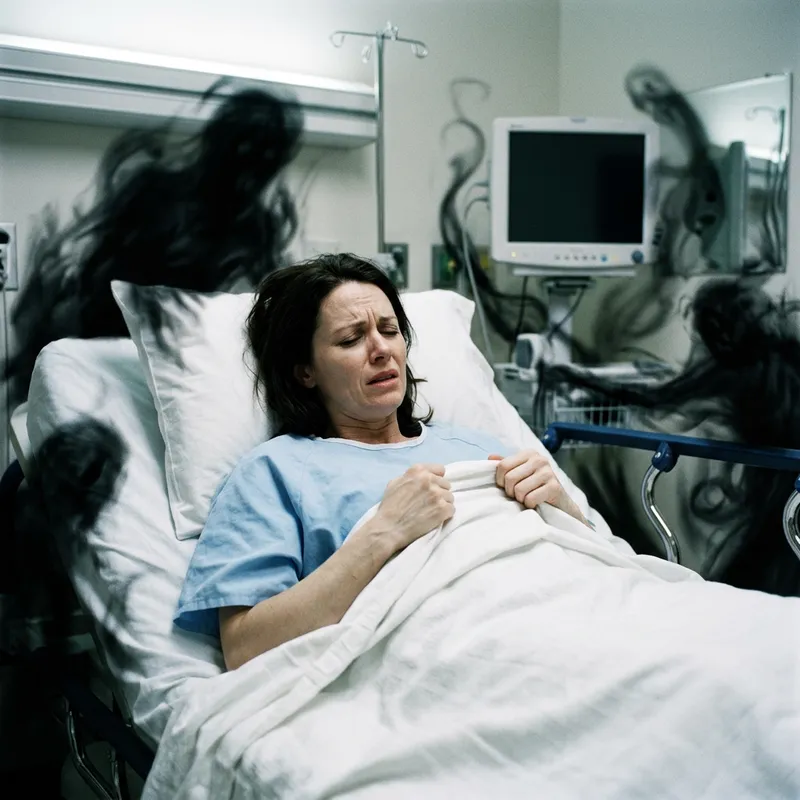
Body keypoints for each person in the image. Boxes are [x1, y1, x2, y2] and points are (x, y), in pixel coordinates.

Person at [174, 253, 590, 670]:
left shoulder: (479, 446)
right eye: (350, 339)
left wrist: (562, 508)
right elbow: (244, 646)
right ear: (305, 372)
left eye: (390, 331)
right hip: (455, 658)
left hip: (564, 622)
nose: (381, 350)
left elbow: (590, 563)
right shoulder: (274, 472)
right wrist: (384, 532)